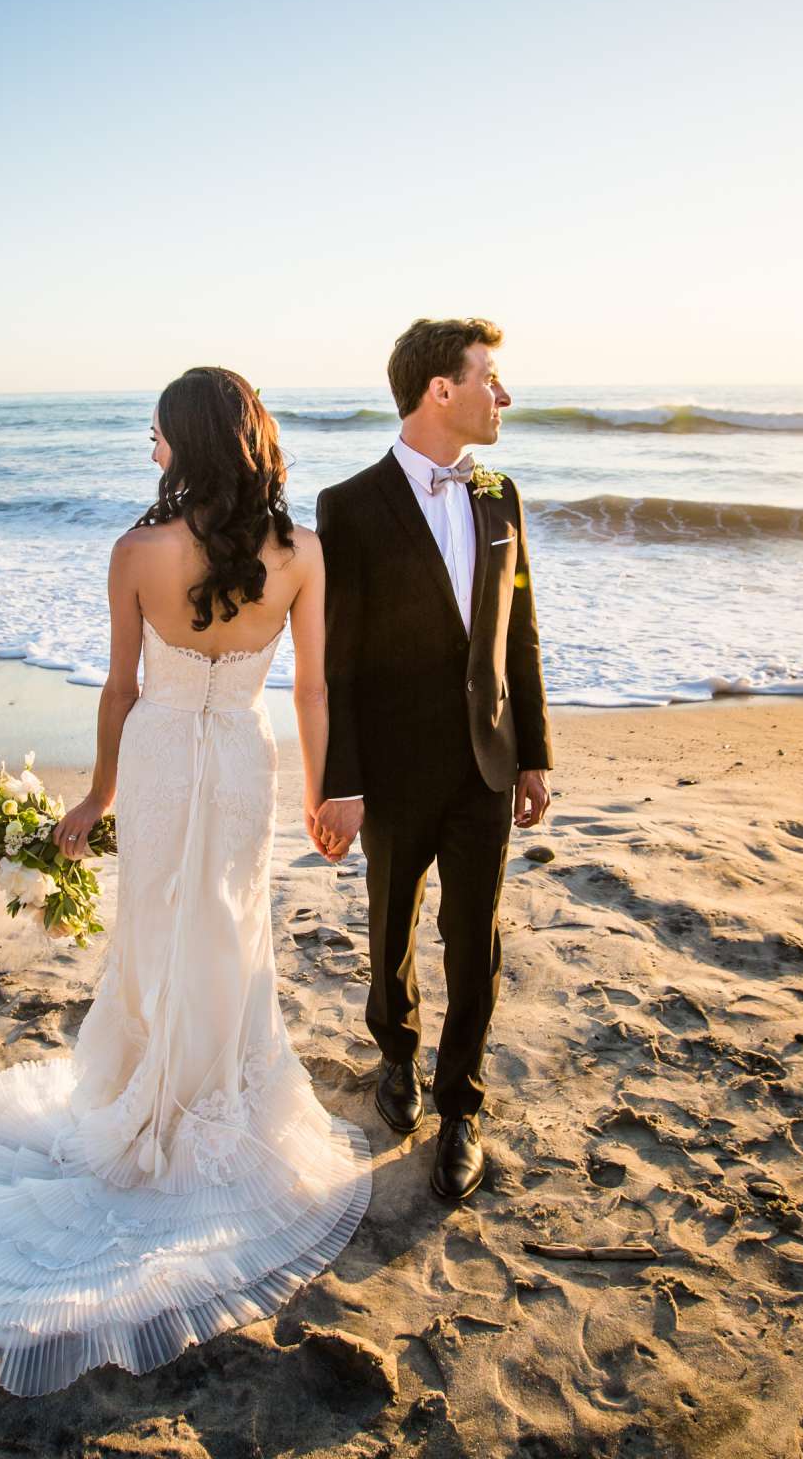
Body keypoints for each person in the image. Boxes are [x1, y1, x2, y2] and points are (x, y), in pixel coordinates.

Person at [0, 367, 371, 1395]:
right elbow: (315, 686)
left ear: (186, 443)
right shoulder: (301, 554)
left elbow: (120, 686)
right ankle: (211, 1091)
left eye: (156, 435)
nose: (150, 448)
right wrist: (334, 797)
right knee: (231, 924)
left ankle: (155, 1091)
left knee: (154, 928)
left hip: (156, 753)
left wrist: (96, 795)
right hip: (246, 751)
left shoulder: (138, 551)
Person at [309, 317, 553, 1202]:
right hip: (395, 770)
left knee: (475, 938)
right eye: (491, 377)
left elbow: (517, 634)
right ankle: (397, 1054)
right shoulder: (349, 507)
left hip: (487, 762)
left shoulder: (502, 495)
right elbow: (336, 660)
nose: (504, 395)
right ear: (440, 391)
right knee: (390, 932)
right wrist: (341, 782)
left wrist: (532, 753)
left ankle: (461, 1106)